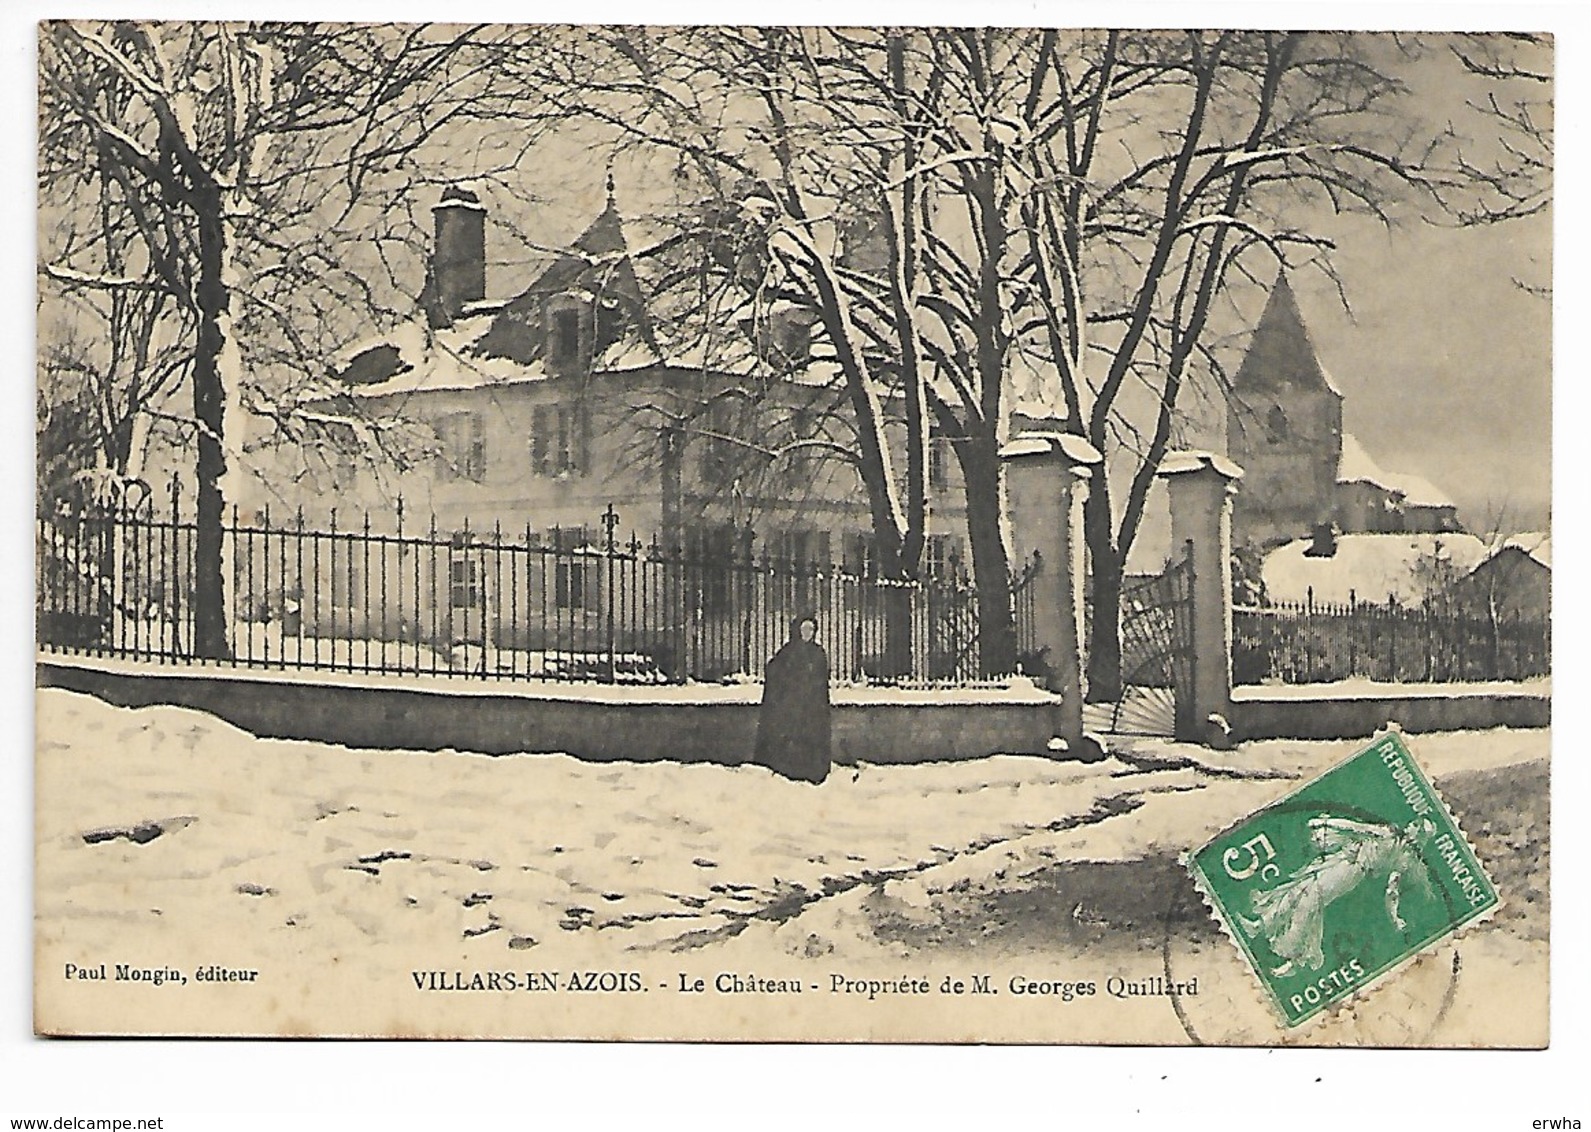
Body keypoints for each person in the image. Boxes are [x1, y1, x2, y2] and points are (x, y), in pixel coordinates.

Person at [754, 615, 831, 783]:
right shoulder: (788, 651)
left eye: (811, 629)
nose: (807, 633)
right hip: (792, 706)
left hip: (811, 707)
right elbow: (774, 670)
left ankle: (811, 772)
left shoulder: (818, 653)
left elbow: (822, 681)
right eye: (804, 629)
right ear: (797, 630)